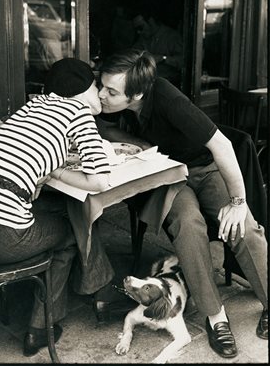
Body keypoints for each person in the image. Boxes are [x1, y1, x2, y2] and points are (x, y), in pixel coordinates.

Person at [96, 48, 268, 359]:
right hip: (170, 176)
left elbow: (223, 145)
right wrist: (141, 144)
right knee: (188, 226)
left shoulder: (166, 98)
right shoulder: (110, 106)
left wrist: (238, 202)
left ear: (136, 93)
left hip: (205, 168)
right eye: (101, 85)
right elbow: (109, 129)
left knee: (243, 225)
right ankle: (215, 317)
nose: (101, 94)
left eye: (110, 91)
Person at [0, 58, 115, 357]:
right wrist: (59, 172)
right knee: (72, 232)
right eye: (96, 85)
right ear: (83, 88)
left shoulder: (33, 106)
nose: (99, 93)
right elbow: (100, 180)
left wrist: (51, 170)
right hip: (4, 239)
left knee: (62, 211)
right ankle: (42, 328)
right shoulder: (78, 112)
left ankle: (101, 288)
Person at [132, 8, 183, 87]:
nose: (139, 32)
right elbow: (133, 55)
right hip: (148, 85)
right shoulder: (142, 38)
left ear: (151, 22)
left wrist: (163, 58)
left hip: (170, 85)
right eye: (136, 29)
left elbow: (182, 62)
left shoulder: (172, 36)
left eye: (141, 27)